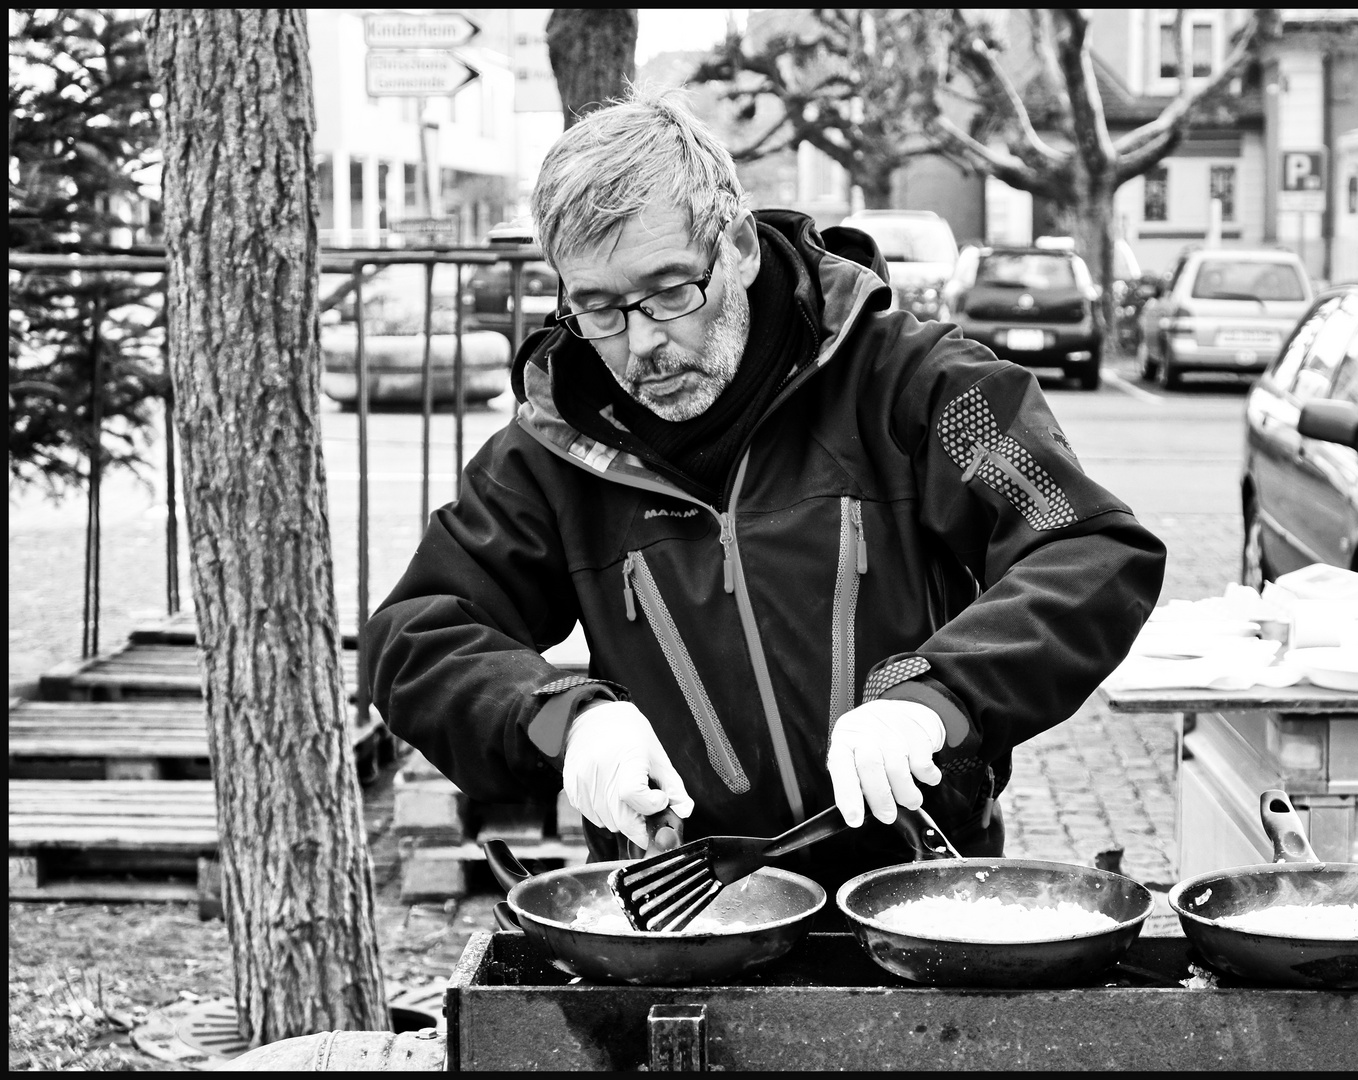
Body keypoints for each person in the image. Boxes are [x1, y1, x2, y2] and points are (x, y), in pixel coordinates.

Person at [362, 87, 1166, 897]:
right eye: (600, 309)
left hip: (920, 880)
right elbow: (415, 636)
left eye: (671, 291)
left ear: (739, 246)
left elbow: (1089, 549)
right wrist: (563, 719)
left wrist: (942, 697)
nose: (643, 343)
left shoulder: (911, 384)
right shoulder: (557, 448)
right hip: (690, 901)